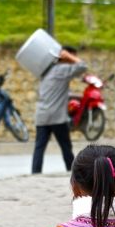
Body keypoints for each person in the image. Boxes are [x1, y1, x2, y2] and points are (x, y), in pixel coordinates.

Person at [31, 46, 87, 174]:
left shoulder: (47, 70)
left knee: (39, 147)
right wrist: (69, 56)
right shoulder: (62, 69)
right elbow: (83, 66)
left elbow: (56, 90)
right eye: (73, 56)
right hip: (56, 117)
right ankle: (74, 173)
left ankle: (35, 174)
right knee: (66, 147)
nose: (74, 60)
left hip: (42, 116)